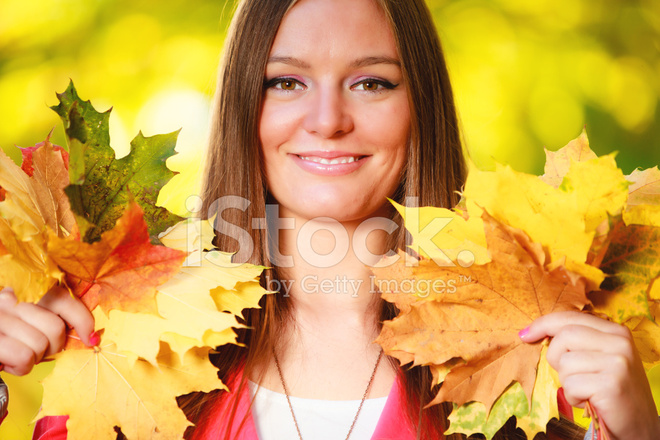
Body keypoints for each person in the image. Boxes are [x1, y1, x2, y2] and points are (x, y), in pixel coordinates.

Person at [0, 0, 658, 439]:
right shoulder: (127, 338)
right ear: (243, 109)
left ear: (419, 106)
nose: (326, 120)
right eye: (286, 82)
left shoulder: (533, 351)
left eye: (371, 82)